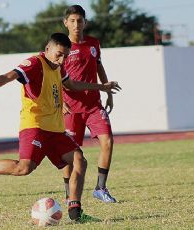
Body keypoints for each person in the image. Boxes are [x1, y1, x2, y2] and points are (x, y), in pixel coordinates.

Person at [0, 33, 120, 221]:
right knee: (24, 168)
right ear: (47, 50)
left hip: (55, 130)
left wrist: (102, 87)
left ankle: (76, 213)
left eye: (65, 56)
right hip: (34, 126)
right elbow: (5, 77)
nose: (62, 60)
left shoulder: (58, 68)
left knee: (79, 160)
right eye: (58, 54)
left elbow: (72, 84)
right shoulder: (35, 64)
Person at [61, 5, 122, 203]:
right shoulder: (61, 47)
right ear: (66, 23)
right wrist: (59, 102)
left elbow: (98, 65)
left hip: (94, 106)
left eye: (80, 20)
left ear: (85, 22)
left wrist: (107, 91)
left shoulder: (94, 43)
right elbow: (52, 77)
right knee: (70, 155)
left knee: (108, 141)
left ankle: (100, 188)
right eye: (72, 20)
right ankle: (68, 194)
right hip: (71, 108)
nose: (76, 24)